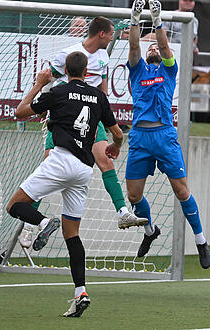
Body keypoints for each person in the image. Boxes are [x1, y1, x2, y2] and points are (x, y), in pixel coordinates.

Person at [6, 52, 123, 317]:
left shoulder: (58, 92)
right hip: (83, 169)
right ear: (86, 71)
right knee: (73, 235)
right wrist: (115, 147)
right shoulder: (98, 96)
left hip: (60, 160)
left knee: (14, 205)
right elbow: (117, 133)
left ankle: (43, 223)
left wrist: (38, 83)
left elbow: (20, 112)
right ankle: (80, 291)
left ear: (66, 70)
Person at [124, 0, 210, 269]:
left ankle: (200, 241)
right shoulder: (137, 71)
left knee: (181, 190)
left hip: (163, 135)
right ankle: (150, 231)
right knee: (134, 196)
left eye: (156, 47)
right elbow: (135, 44)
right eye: (150, 46)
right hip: (139, 137)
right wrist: (137, 19)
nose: (153, 48)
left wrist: (158, 20)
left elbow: (163, 45)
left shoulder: (169, 70)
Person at [43, 16, 146, 230]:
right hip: (63, 117)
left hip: (90, 116)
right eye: (110, 34)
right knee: (47, 169)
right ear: (101, 34)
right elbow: (47, 79)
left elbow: (102, 88)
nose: (112, 38)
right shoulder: (68, 54)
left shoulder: (103, 58)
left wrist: (104, 111)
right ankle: (29, 224)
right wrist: (44, 104)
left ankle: (123, 212)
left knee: (105, 162)